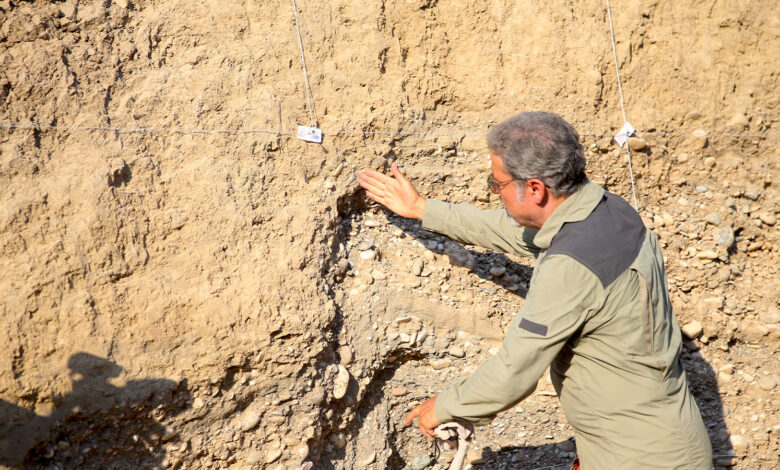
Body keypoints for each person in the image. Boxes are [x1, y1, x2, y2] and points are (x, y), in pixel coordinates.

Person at [359, 112, 713, 469]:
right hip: (663, 439)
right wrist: (423, 209)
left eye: (497, 184)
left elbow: (516, 370)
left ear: (534, 189)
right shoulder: (608, 211)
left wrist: (447, 406)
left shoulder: (570, 266)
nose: (495, 193)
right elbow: (517, 231)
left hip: (640, 459)